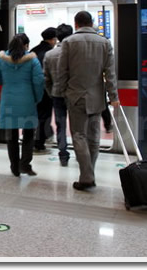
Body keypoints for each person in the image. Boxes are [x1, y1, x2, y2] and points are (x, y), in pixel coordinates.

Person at [57, 11, 119, 191]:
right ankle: (89, 173)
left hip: (75, 97)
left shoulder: (68, 42)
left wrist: (61, 93)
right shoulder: (105, 43)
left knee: (78, 135)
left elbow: (62, 72)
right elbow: (110, 74)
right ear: (91, 23)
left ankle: (86, 176)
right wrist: (113, 97)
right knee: (94, 137)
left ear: (76, 24)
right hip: (97, 98)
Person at [0, 33, 44, 177]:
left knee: (11, 136)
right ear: (26, 45)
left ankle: (14, 167)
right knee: (28, 134)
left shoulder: (1, 61)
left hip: (8, 100)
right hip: (27, 100)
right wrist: (37, 98)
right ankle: (25, 164)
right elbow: (38, 82)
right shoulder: (33, 61)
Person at [43, 23, 73, 167]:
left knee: (61, 125)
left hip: (57, 95)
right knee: (78, 125)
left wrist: (51, 92)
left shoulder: (49, 54)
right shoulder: (75, 54)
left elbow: (46, 79)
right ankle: (82, 155)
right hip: (75, 95)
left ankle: (63, 154)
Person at [30, 27, 57, 152]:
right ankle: (39, 142)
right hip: (46, 89)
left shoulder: (33, 51)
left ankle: (39, 137)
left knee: (36, 114)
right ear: (52, 39)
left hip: (32, 89)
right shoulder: (50, 53)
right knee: (44, 115)